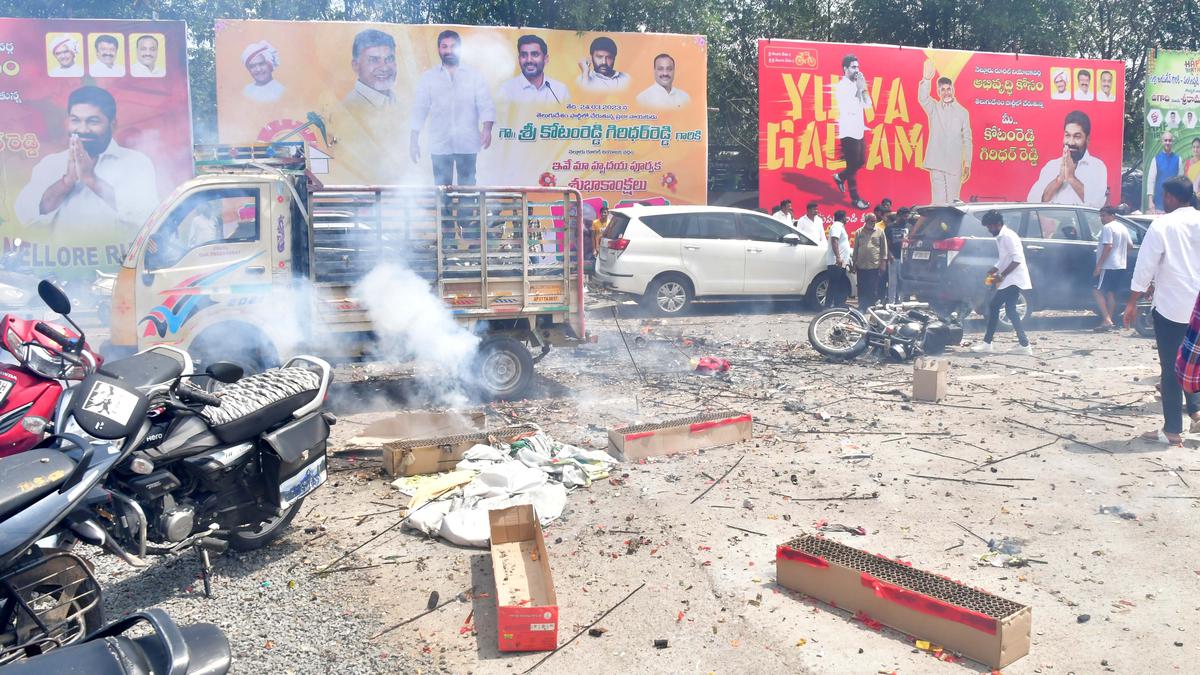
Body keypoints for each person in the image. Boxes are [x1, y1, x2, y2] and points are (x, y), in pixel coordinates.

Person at [13, 86, 157, 238]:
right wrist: (66, 182)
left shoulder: (136, 162)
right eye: (75, 120)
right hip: (64, 260)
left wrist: (91, 179)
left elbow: (147, 217)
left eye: (93, 121)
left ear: (113, 124)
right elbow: (26, 216)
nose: (82, 129)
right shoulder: (50, 164)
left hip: (120, 260)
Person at [1123, 176, 1200, 445]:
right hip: (1197, 308)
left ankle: (1172, 431)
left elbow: (1145, 267)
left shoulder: (1163, 225)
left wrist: (1132, 302)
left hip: (1172, 308)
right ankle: (1196, 412)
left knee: (1171, 369)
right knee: (1193, 362)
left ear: (1170, 197)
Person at [410, 30, 496, 186]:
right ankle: (444, 212)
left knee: (468, 190)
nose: (449, 51)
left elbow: (485, 103)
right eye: (444, 46)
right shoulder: (428, 77)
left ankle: (467, 212)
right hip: (439, 143)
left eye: (453, 46)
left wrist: (487, 129)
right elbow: (419, 109)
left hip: (467, 142)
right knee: (442, 191)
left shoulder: (474, 75)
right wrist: (413, 140)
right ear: (438, 49)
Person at [972, 210, 1033, 355]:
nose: (988, 229)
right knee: (1009, 310)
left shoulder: (1008, 236)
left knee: (995, 306)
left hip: (1013, 278)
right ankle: (1024, 344)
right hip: (1010, 278)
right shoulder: (1001, 236)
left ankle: (988, 344)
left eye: (990, 226)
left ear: (998, 224)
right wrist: (993, 270)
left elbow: (1017, 260)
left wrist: (1001, 275)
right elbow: (1004, 259)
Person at [1026, 110, 1107, 208]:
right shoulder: (1052, 165)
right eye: (1067, 135)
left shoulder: (1097, 166)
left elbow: (1097, 204)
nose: (1071, 142)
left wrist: (1071, 178)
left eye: (1077, 137)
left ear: (1087, 139)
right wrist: (1059, 180)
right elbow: (1032, 200)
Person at [918, 60, 972, 204]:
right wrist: (926, 80)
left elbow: (967, 140)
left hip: (954, 164)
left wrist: (967, 163)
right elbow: (922, 98)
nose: (946, 92)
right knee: (938, 202)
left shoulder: (962, 112)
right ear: (939, 92)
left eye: (948, 89)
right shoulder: (934, 108)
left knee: (952, 203)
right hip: (936, 162)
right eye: (943, 89)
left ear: (953, 90)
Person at [832, 54, 871, 210]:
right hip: (848, 132)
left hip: (859, 130)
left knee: (861, 161)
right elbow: (851, 107)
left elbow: (867, 104)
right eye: (854, 67)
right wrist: (860, 89)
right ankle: (856, 200)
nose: (857, 70)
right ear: (845, 69)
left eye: (858, 67)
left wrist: (863, 88)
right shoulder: (842, 86)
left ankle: (840, 177)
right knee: (853, 164)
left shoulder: (858, 84)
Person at [1091, 206, 1134, 331]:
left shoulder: (1108, 228)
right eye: (1101, 216)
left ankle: (1107, 319)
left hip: (1108, 266)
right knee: (1111, 293)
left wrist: (1099, 266)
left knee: (1096, 290)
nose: (1102, 218)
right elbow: (1130, 246)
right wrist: (1120, 256)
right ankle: (1109, 320)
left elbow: (1108, 247)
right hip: (1120, 265)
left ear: (1112, 215)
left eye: (1104, 215)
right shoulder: (1122, 227)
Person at [498, 35, 569, 105]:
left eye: (535, 55)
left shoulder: (560, 90)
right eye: (524, 55)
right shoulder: (506, 89)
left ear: (545, 59)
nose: (529, 60)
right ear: (519, 59)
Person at [344, 29, 397, 111]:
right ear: (356, 65)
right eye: (374, 60)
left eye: (389, 59)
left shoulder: (402, 103)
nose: (384, 68)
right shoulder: (346, 111)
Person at [852, 213, 887, 310]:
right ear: (866, 221)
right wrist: (854, 262)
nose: (873, 223)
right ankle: (862, 306)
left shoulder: (880, 232)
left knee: (872, 287)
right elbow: (855, 248)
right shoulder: (859, 232)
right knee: (862, 287)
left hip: (874, 265)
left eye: (874, 221)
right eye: (871, 221)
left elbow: (884, 249)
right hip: (861, 265)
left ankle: (871, 306)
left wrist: (883, 263)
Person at [1146, 131, 1184, 213]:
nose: (1168, 142)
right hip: (1159, 203)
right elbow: (1151, 181)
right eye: (1165, 140)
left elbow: (1181, 182)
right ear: (1162, 141)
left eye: (1170, 140)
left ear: (1172, 142)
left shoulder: (1178, 159)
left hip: (1175, 203)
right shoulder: (1156, 159)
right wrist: (1150, 200)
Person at [825, 210, 851, 307]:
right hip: (835, 262)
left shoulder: (840, 227)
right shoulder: (836, 226)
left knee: (840, 284)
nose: (847, 219)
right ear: (843, 217)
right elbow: (834, 240)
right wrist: (838, 257)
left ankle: (838, 305)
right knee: (833, 285)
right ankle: (827, 306)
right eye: (846, 217)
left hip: (841, 262)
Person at [884, 207, 909, 303]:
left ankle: (902, 303)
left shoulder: (908, 227)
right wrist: (889, 254)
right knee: (893, 282)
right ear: (899, 216)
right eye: (905, 216)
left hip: (905, 259)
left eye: (907, 216)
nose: (906, 218)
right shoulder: (890, 227)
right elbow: (886, 243)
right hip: (894, 258)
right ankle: (891, 303)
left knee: (903, 281)